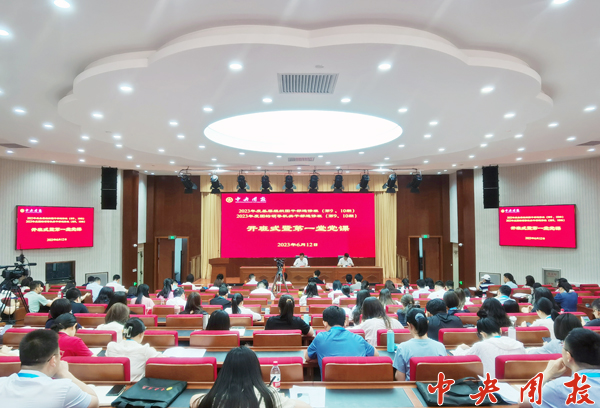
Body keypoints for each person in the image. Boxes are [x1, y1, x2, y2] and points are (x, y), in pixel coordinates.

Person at [0, 329, 99, 408]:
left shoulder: (2, 383)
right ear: (53, 360)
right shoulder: (64, 389)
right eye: (59, 354)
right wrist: (65, 374)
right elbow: (94, 402)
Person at [190, 347, 309, 408]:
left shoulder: (215, 399)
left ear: (225, 371)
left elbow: (194, 399)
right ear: (255, 370)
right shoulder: (268, 396)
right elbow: (305, 406)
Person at [520, 329, 600, 408]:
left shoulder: (559, 387)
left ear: (568, 356)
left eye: (563, 346)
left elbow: (523, 400)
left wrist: (547, 373)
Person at [306, 305, 377, 375]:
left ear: (325, 323)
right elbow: (376, 355)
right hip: (357, 381)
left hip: (330, 382)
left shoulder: (320, 338)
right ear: (345, 322)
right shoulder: (359, 338)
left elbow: (307, 357)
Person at [454, 318, 525, 377]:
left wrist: (460, 347)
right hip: (516, 385)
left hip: (490, 385)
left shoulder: (480, 346)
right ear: (500, 330)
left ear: (483, 334)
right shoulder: (518, 344)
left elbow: (460, 357)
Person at [393, 308, 447, 381]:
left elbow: (400, 379)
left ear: (409, 325)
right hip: (434, 387)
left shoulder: (403, 347)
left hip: (412, 388)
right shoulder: (440, 346)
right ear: (427, 323)